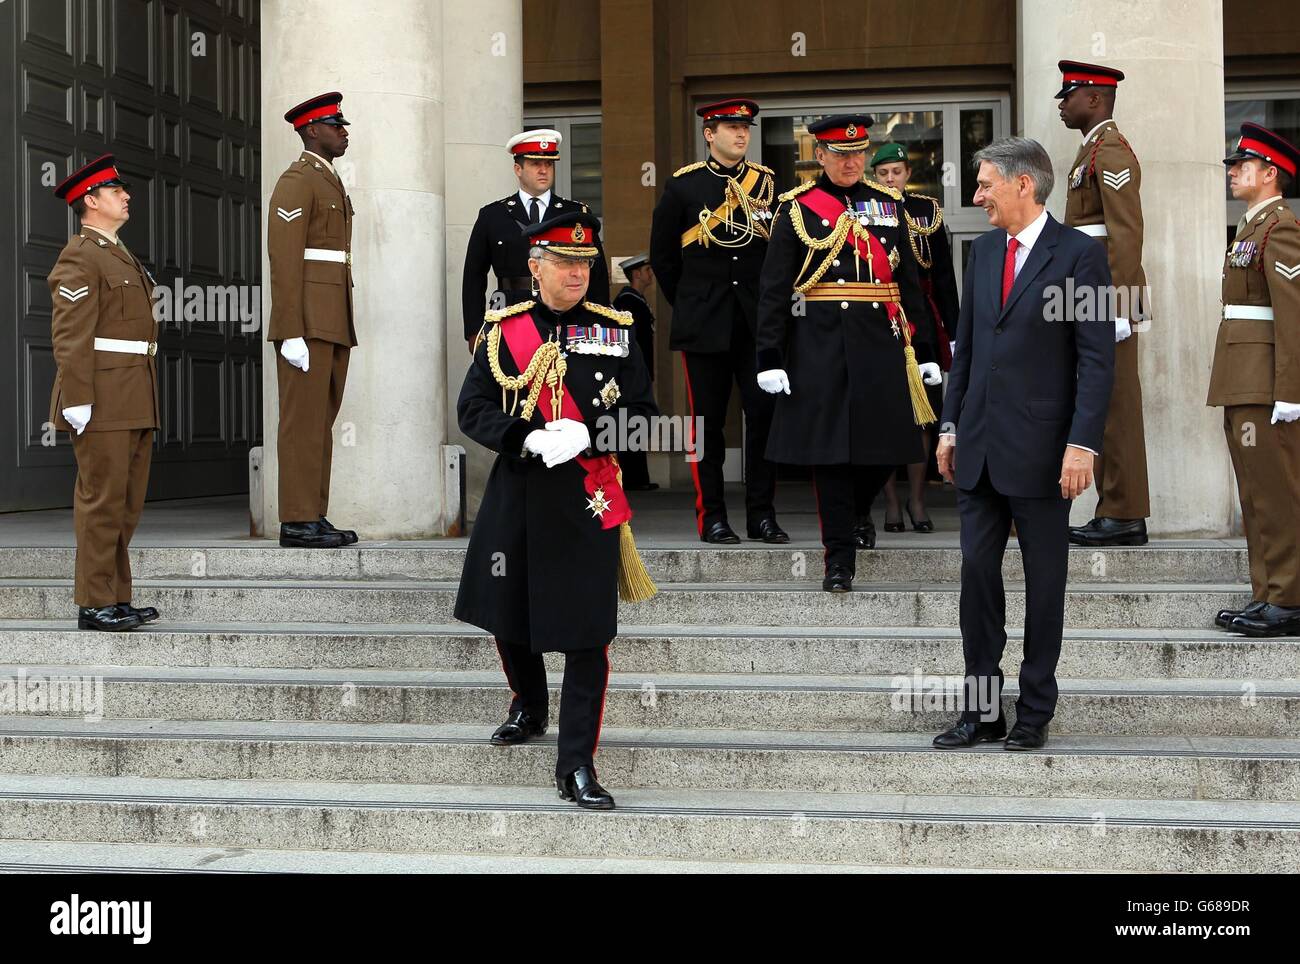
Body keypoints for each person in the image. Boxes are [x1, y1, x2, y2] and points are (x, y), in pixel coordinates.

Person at [454, 210, 659, 810]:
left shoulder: (616, 332)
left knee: (587, 636)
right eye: (565, 263)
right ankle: (530, 704)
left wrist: (590, 434)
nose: (577, 273)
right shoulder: (504, 330)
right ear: (534, 267)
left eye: (585, 263)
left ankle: (576, 765)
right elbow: (472, 408)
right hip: (518, 494)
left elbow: (645, 416)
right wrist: (524, 436)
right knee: (507, 613)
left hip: (587, 497)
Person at [933, 137, 1114, 751]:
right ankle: (982, 711)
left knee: (1045, 584)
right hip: (978, 446)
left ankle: (1034, 711)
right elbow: (967, 349)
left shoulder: (1080, 255)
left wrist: (1082, 445)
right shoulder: (982, 252)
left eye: (985, 184)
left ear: (1023, 186)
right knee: (977, 575)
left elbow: (1097, 359)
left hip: (1044, 453)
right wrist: (949, 424)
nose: (977, 195)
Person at [755, 115, 942, 592]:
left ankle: (859, 508)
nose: (850, 162)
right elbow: (775, 289)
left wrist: (924, 351)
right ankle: (838, 559)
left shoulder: (888, 204)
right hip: (819, 344)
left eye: (857, 154)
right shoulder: (796, 207)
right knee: (832, 457)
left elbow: (908, 287)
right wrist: (770, 356)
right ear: (820, 156)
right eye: (840, 155)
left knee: (890, 447)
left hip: (880, 343)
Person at [650, 98, 787, 545]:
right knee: (705, 425)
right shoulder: (683, 187)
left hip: (755, 324)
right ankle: (712, 517)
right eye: (730, 127)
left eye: (745, 127)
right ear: (709, 134)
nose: (741, 134)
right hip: (705, 324)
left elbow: (778, 256)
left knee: (763, 418)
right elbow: (664, 260)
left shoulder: (767, 184)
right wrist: (692, 304)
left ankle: (762, 515)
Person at [48, 154, 160, 632]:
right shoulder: (81, 253)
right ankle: (94, 602)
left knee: (126, 501)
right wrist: (77, 397)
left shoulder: (117, 251)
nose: (126, 195)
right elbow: (71, 333)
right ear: (90, 200)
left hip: (133, 390)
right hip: (103, 395)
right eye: (116, 191)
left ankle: (115, 596)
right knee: (102, 500)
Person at [1207, 123, 1300, 638]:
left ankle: (1289, 597)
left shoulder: (1280, 228)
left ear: (1271, 174)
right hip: (1244, 378)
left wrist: (1291, 391)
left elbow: (1293, 314)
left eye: (1243, 165)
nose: (1233, 171)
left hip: (1267, 384)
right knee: (1255, 492)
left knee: (1276, 493)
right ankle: (1268, 592)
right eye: (1233, 165)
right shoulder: (1250, 228)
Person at [1057, 60, 1154, 547]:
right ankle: (1116, 509)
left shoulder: (1110, 150)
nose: (1061, 102)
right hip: (1089, 293)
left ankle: (1124, 512)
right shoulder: (1091, 151)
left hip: (1106, 296)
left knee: (1116, 404)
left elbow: (1125, 232)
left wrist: (1118, 304)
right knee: (1103, 400)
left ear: (1094, 98)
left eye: (1069, 94)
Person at [267, 92, 359, 549]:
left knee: (319, 420)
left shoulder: (328, 179)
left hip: (331, 318)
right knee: (301, 421)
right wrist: (289, 330)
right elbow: (284, 261)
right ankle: (297, 520)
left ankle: (313, 513)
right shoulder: (297, 180)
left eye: (342, 124)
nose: (344, 131)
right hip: (307, 322)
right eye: (335, 124)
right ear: (310, 131)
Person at [856, 141, 961, 541]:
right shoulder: (864, 210)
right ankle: (891, 502)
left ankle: (918, 499)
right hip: (881, 320)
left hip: (923, 324)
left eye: (896, 172)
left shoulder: (926, 211)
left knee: (924, 414)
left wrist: (955, 332)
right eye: (882, 174)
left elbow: (945, 279)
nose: (890, 179)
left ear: (907, 173)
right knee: (884, 415)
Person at [461, 128, 609, 350]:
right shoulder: (493, 215)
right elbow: (474, 276)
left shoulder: (576, 215)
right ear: (518, 169)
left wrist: (599, 321)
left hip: (565, 313)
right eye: (535, 164)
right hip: (511, 312)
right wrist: (474, 330)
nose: (543, 170)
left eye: (548, 164)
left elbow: (596, 274)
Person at [613, 253, 658, 490]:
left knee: (636, 422)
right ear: (637, 273)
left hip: (638, 372)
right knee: (631, 423)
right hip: (629, 375)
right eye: (648, 270)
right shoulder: (628, 303)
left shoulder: (636, 301)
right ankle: (634, 477)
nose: (651, 275)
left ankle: (638, 476)